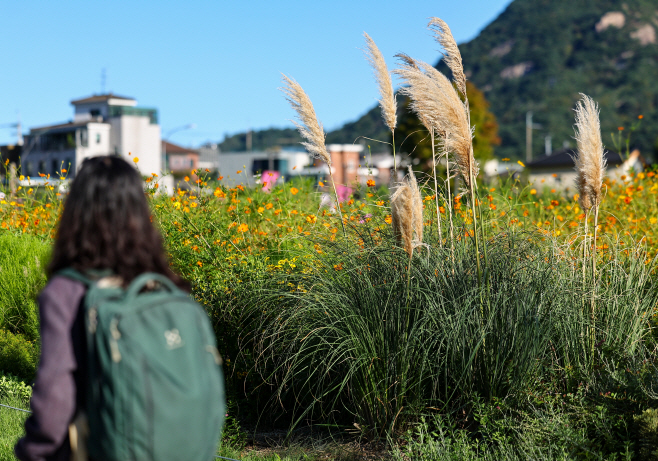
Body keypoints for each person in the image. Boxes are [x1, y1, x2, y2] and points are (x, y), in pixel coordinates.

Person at [15, 155, 190, 461]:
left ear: (76, 212)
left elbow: (55, 400)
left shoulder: (68, 291)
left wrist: (33, 451)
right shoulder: (163, 287)